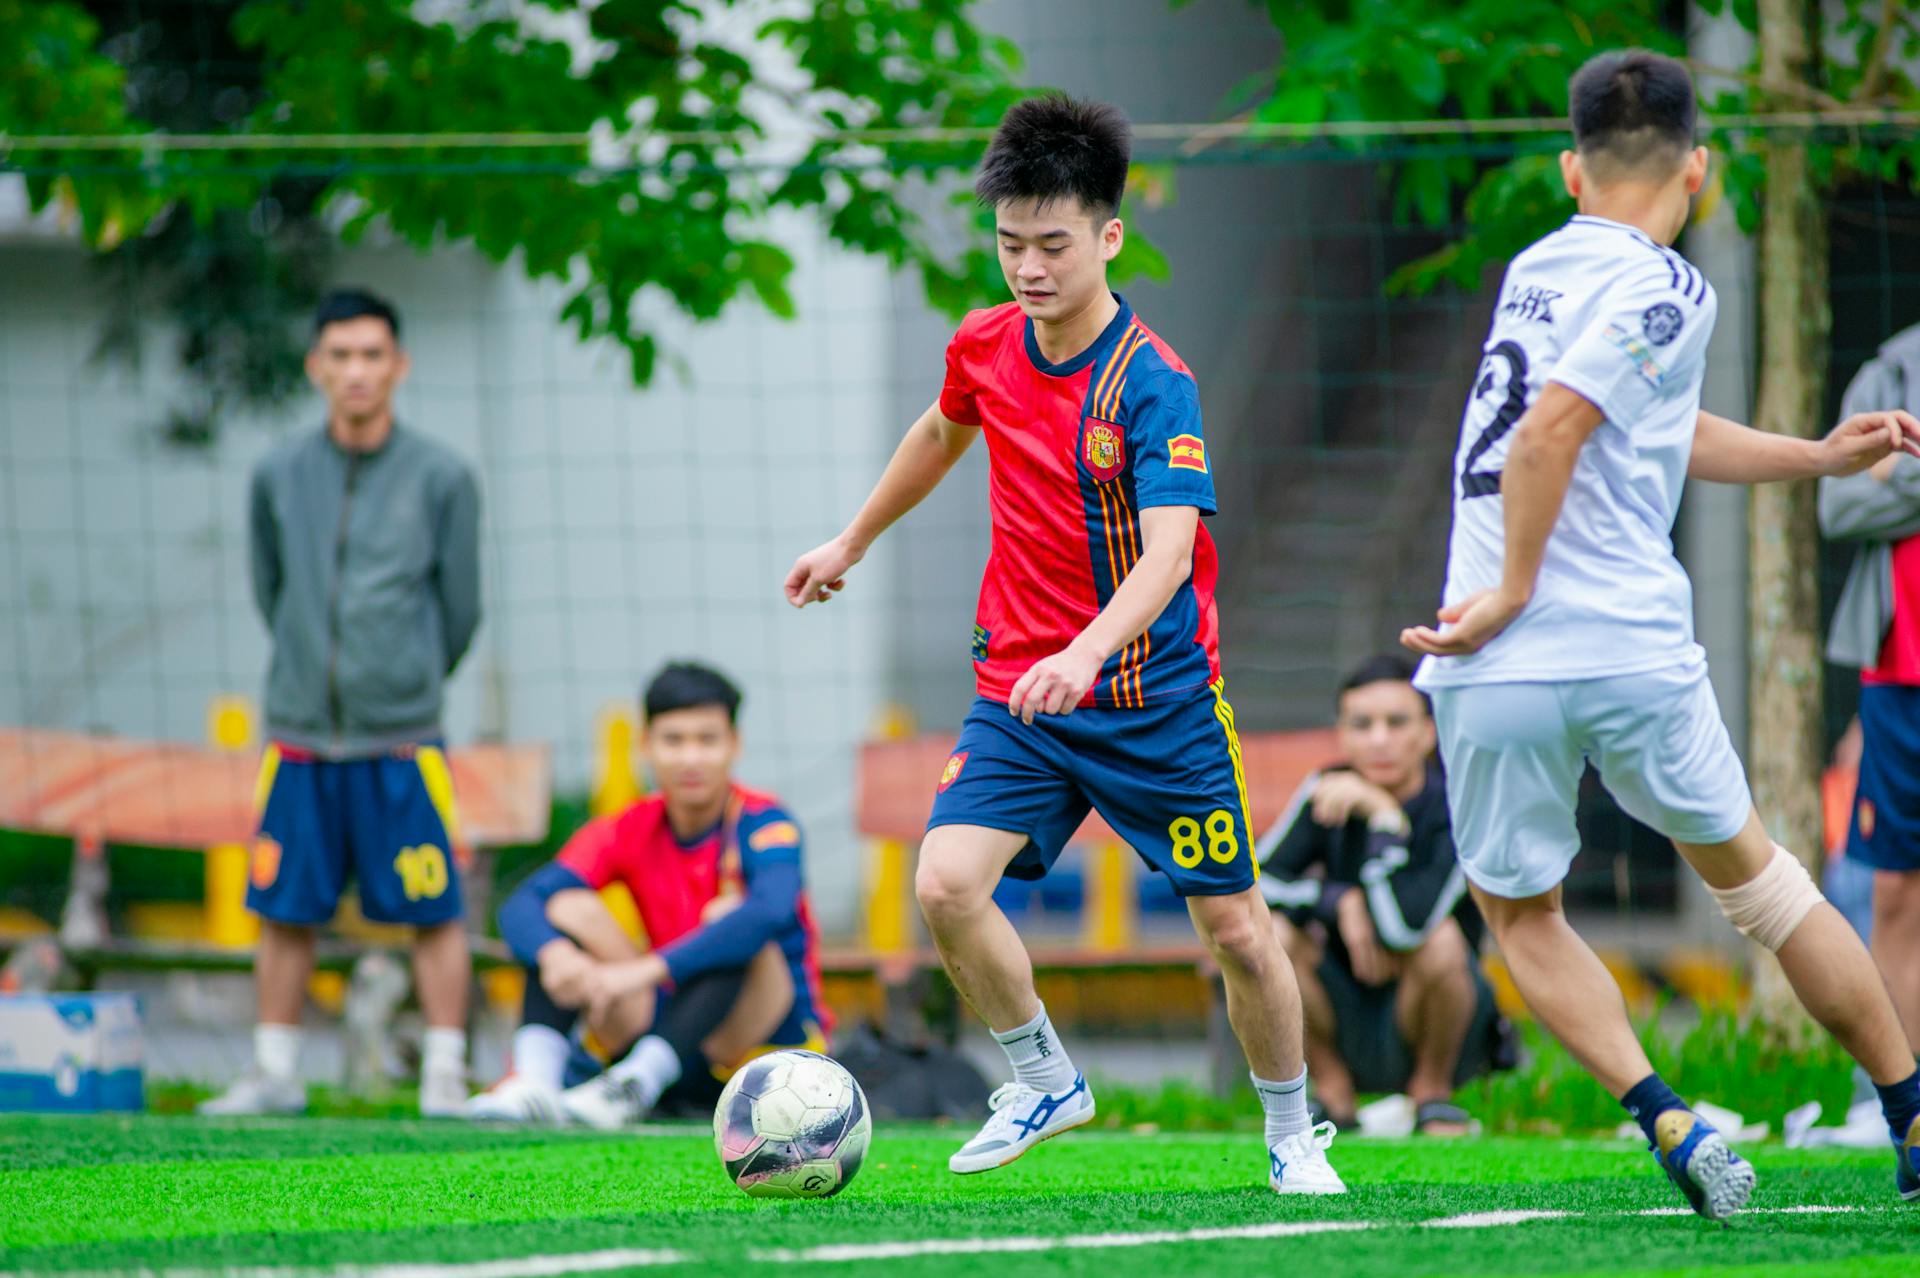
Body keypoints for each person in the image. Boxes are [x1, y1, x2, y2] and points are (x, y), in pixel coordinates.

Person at [783, 94, 1342, 1194]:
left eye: (1052, 245)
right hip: (1019, 693)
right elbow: (944, 430)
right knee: (945, 884)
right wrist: (850, 538)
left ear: (1107, 237)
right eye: (1009, 245)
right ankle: (1044, 1079)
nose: (1028, 268)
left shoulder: (1152, 381)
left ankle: (1290, 1132)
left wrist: (1089, 651)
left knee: (1235, 929)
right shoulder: (984, 344)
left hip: (1155, 700)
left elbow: (1172, 552)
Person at [1401, 48, 1920, 1217]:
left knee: (1521, 916)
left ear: (1568, 172)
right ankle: (1913, 1112)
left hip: (1487, 660)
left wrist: (1816, 455)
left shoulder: (1537, 266)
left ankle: (1667, 1117)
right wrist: (1520, 586)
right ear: (1700, 170)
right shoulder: (1675, 283)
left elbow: (1642, 430)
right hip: (1610, 640)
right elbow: (1549, 437)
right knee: (1770, 890)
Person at [202, 289, 482, 1118]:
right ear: (314, 366)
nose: (356, 371)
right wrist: (310, 671)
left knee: (434, 908)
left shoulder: (443, 476)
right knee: (283, 908)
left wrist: (403, 679)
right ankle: (275, 1074)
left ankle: (443, 1077)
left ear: (398, 366)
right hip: (297, 738)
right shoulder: (278, 473)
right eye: (340, 355)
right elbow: (271, 589)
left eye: (372, 355)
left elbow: (461, 608)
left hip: (402, 739)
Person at [469, 662, 830, 1128]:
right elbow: (525, 902)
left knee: (734, 916)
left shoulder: (765, 822)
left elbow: (770, 911)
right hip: (661, 1029)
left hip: (766, 1061)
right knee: (566, 907)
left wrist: (643, 971)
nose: (690, 758)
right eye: (674, 740)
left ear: (733, 746)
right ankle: (536, 1082)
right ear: (647, 746)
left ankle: (634, 1083)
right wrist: (557, 955)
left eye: (707, 740)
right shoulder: (633, 825)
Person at [1258, 654, 1497, 1136]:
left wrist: (1384, 821)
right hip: (1341, 1006)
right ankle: (1332, 1093)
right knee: (1273, 935)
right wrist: (1338, 901)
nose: (1379, 739)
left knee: (1442, 942)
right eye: (1362, 724)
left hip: (1430, 1014)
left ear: (1429, 733)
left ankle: (1432, 1096)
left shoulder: (1459, 805)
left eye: (1396, 722)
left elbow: (1405, 927)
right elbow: (1254, 885)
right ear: (1342, 734)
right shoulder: (1326, 788)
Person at [1822, 323, 1920, 1084]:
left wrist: (1898, 478)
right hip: (1896, 680)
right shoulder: (1889, 370)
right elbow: (1838, 505)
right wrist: (1874, 482)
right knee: (1894, 891)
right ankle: (1895, 1100)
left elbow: (1875, 492)